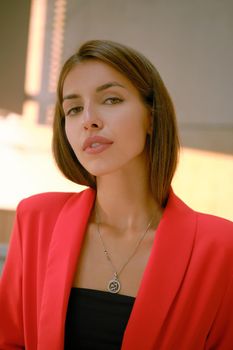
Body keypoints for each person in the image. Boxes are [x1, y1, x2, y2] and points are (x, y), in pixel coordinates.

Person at [0, 40, 232, 350]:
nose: (89, 120)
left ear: (151, 116)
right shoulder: (37, 218)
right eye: (74, 108)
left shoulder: (220, 247)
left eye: (110, 99)